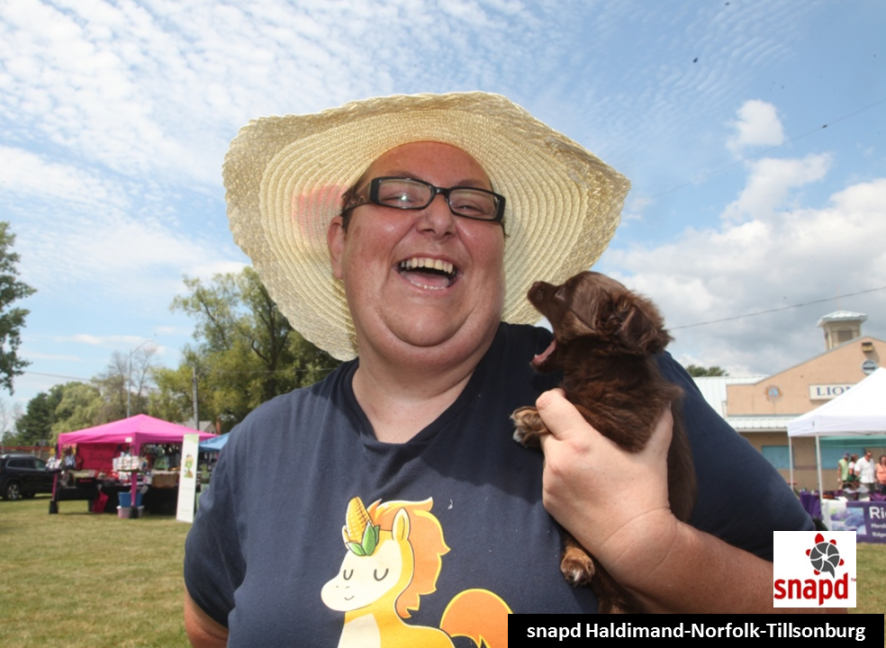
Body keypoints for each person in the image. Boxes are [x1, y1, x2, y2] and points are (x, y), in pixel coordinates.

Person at [184, 92, 818, 647]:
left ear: (498, 252)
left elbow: (825, 592)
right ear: (339, 244)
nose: (438, 219)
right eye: (399, 194)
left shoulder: (615, 378)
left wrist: (650, 547)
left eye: (473, 204)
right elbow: (209, 629)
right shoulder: (261, 445)